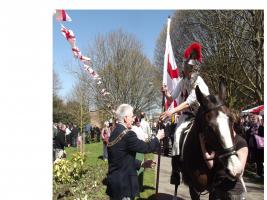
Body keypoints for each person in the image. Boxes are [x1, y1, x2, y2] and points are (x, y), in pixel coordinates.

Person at [160, 43, 210, 195]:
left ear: (194, 69)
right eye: (185, 67)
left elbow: (190, 101)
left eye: (188, 68)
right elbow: (172, 97)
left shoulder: (199, 82)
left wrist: (171, 112)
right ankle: (176, 170)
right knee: (177, 136)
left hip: (201, 116)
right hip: (187, 117)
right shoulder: (182, 81)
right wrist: (166, 92)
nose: (186, 69)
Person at [106, 104, 165, 200]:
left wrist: (142, 164)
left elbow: (122, 158)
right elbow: (146, 147)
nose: (134, 119)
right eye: (132, 116)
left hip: (114, 184)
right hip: (124, 186)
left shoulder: (114, 132)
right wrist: (157, 138)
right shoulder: (128, 134)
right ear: (125, 118)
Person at [199, 110, 248, 200]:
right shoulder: (219, 143)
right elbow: (211, 166)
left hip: (233, 192)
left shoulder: (240, 142)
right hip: (216, 190)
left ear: (232, 123)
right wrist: (203, 146)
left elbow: (239, 173)